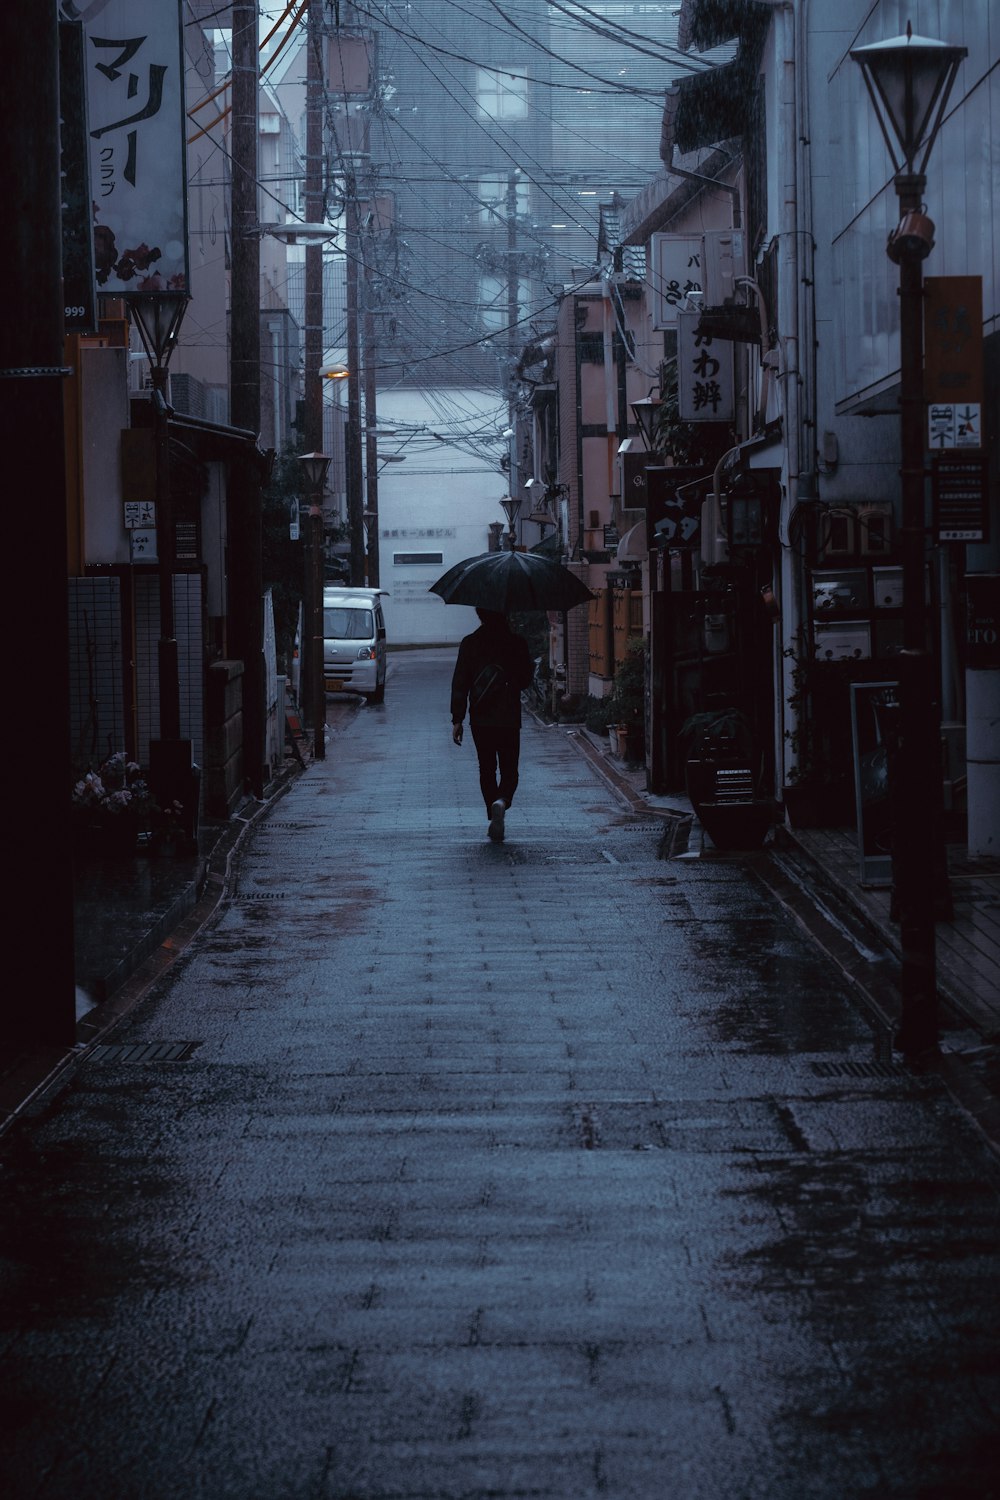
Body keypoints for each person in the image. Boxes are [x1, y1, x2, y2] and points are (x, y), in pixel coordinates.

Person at [451, 609, 534, 842]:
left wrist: (457, 719)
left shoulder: (470, 643)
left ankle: (492, 811)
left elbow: (460, 683)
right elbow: (525, 680)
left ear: (480, 614)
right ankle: (502, 800)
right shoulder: (516, 643)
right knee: (510, 769)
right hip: (508, 717)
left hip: (481, 717)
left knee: (486, 768)